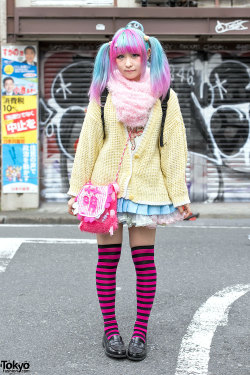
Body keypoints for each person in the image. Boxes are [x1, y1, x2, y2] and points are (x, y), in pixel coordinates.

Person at [67, 20, 191, 361]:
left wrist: (180, 197)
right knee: (107, 262)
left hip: (148, 190)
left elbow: (173, 149)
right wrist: (75, 191)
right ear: (112, 58)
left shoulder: (164, 97)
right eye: (120, 56)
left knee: (144, 263)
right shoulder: (104, 93)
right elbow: (89, 145)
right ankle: (110, 331)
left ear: (147, 54)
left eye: (134, 55)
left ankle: (139, 333)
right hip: (105, 190)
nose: (127, 63)